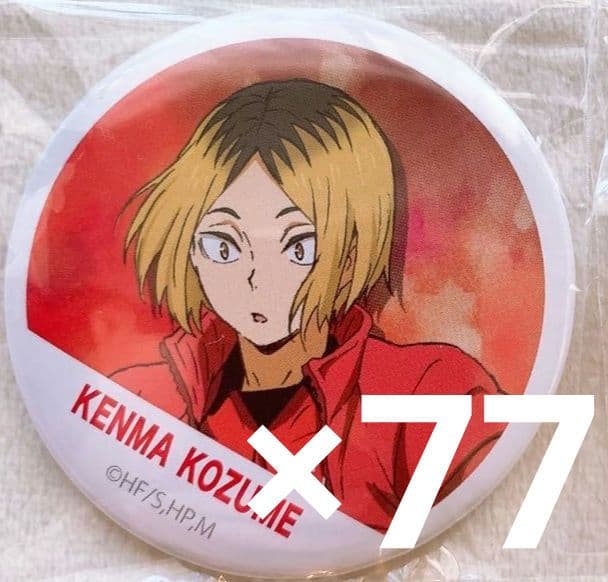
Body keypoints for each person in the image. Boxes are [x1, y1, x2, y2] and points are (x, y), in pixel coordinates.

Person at [113, 78, 504, 532]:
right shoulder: (141, 399)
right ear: (190, 250)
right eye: (224, 245)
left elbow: (490, 528)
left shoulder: (431, 395)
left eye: (299, 247)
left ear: (352, 253)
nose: (257, 278)